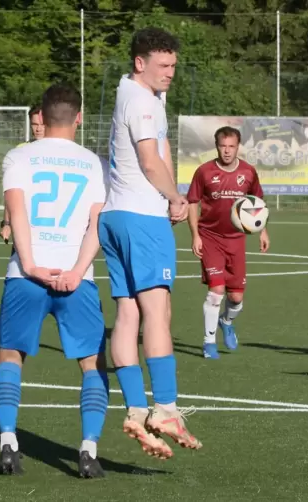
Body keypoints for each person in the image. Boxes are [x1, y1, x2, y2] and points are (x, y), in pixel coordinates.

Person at [0, 83, 109, 478]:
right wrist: (77, 270)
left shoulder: (19, 155)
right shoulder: (92, 162)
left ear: (40, 116)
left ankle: (8, 441)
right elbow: (98, 224)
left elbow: (17, 213)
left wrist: (30, 264)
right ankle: (89, 449)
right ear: (79, 118)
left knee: (10, 356)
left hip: (26, 275)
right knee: (93, 364)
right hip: (77, 279)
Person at [99, 26, 201, 460]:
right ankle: (166, 408)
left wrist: (171, 195)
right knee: (157, 310)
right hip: (141, 217)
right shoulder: (142, 101)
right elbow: (148, 158)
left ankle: (136, 409)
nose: (171, 72)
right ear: (140, 63)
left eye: (174, 65)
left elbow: (160, 147)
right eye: (163, 65)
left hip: (115, 215)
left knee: (127, 312)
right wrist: (176, 197)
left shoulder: (136, 93)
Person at [186, 126, 270, 360]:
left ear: (238, 147)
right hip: (211, 237)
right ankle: (208, 342)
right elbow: (192, 202)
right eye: (223, 146)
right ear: (216, 147)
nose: (227, 151)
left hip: (236, 240)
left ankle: (226, 321)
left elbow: (257, 203)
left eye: (231, 146)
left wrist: (263, 231)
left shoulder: (249, 172)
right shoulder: (204, 172)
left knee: (236, 298)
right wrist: (195, 235)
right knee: (216, 292)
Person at [0, 106, 45, 244]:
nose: (38, 129)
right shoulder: (20, 151)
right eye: (34, 124)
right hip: (25, 223)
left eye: (42, 124)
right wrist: (7, 223)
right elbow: (11, 191)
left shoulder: (61, 150)